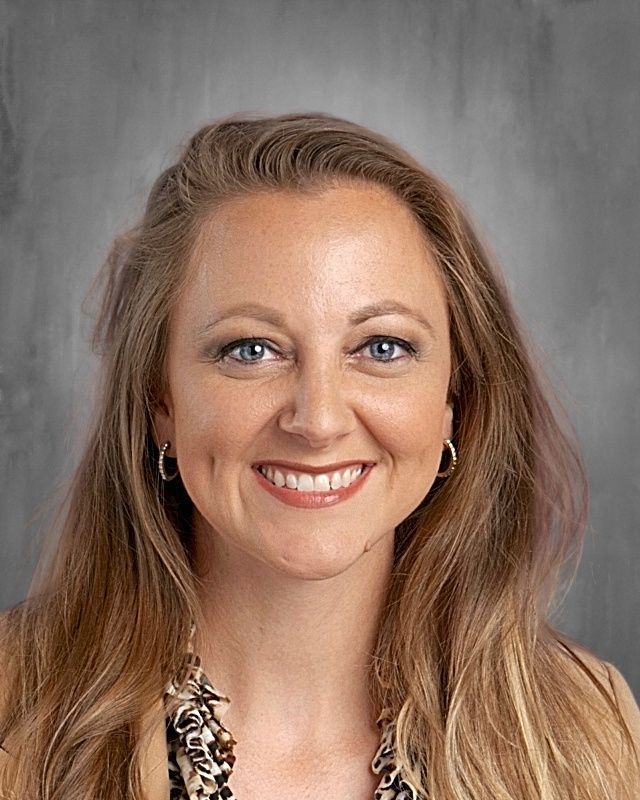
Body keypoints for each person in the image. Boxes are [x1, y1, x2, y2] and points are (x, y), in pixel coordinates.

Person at [0, 112, 638, 800]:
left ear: (454, 400)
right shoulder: (12, 714)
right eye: (251, 350)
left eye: (382, 348)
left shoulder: (592, 733)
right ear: (162, 402)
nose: (319, 421)